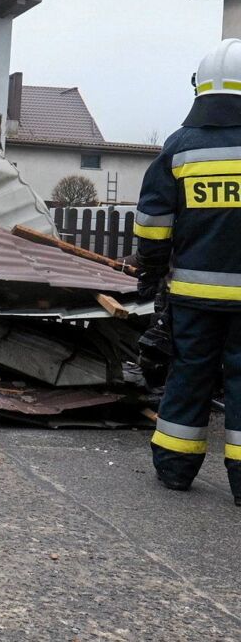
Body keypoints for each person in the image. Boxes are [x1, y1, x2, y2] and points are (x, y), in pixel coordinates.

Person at [135, 38, 241, 503]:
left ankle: (175, 469)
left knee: (189, 375)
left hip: (194, 297)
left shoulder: (180, 148)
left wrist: (151, 272)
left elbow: (153, 221)